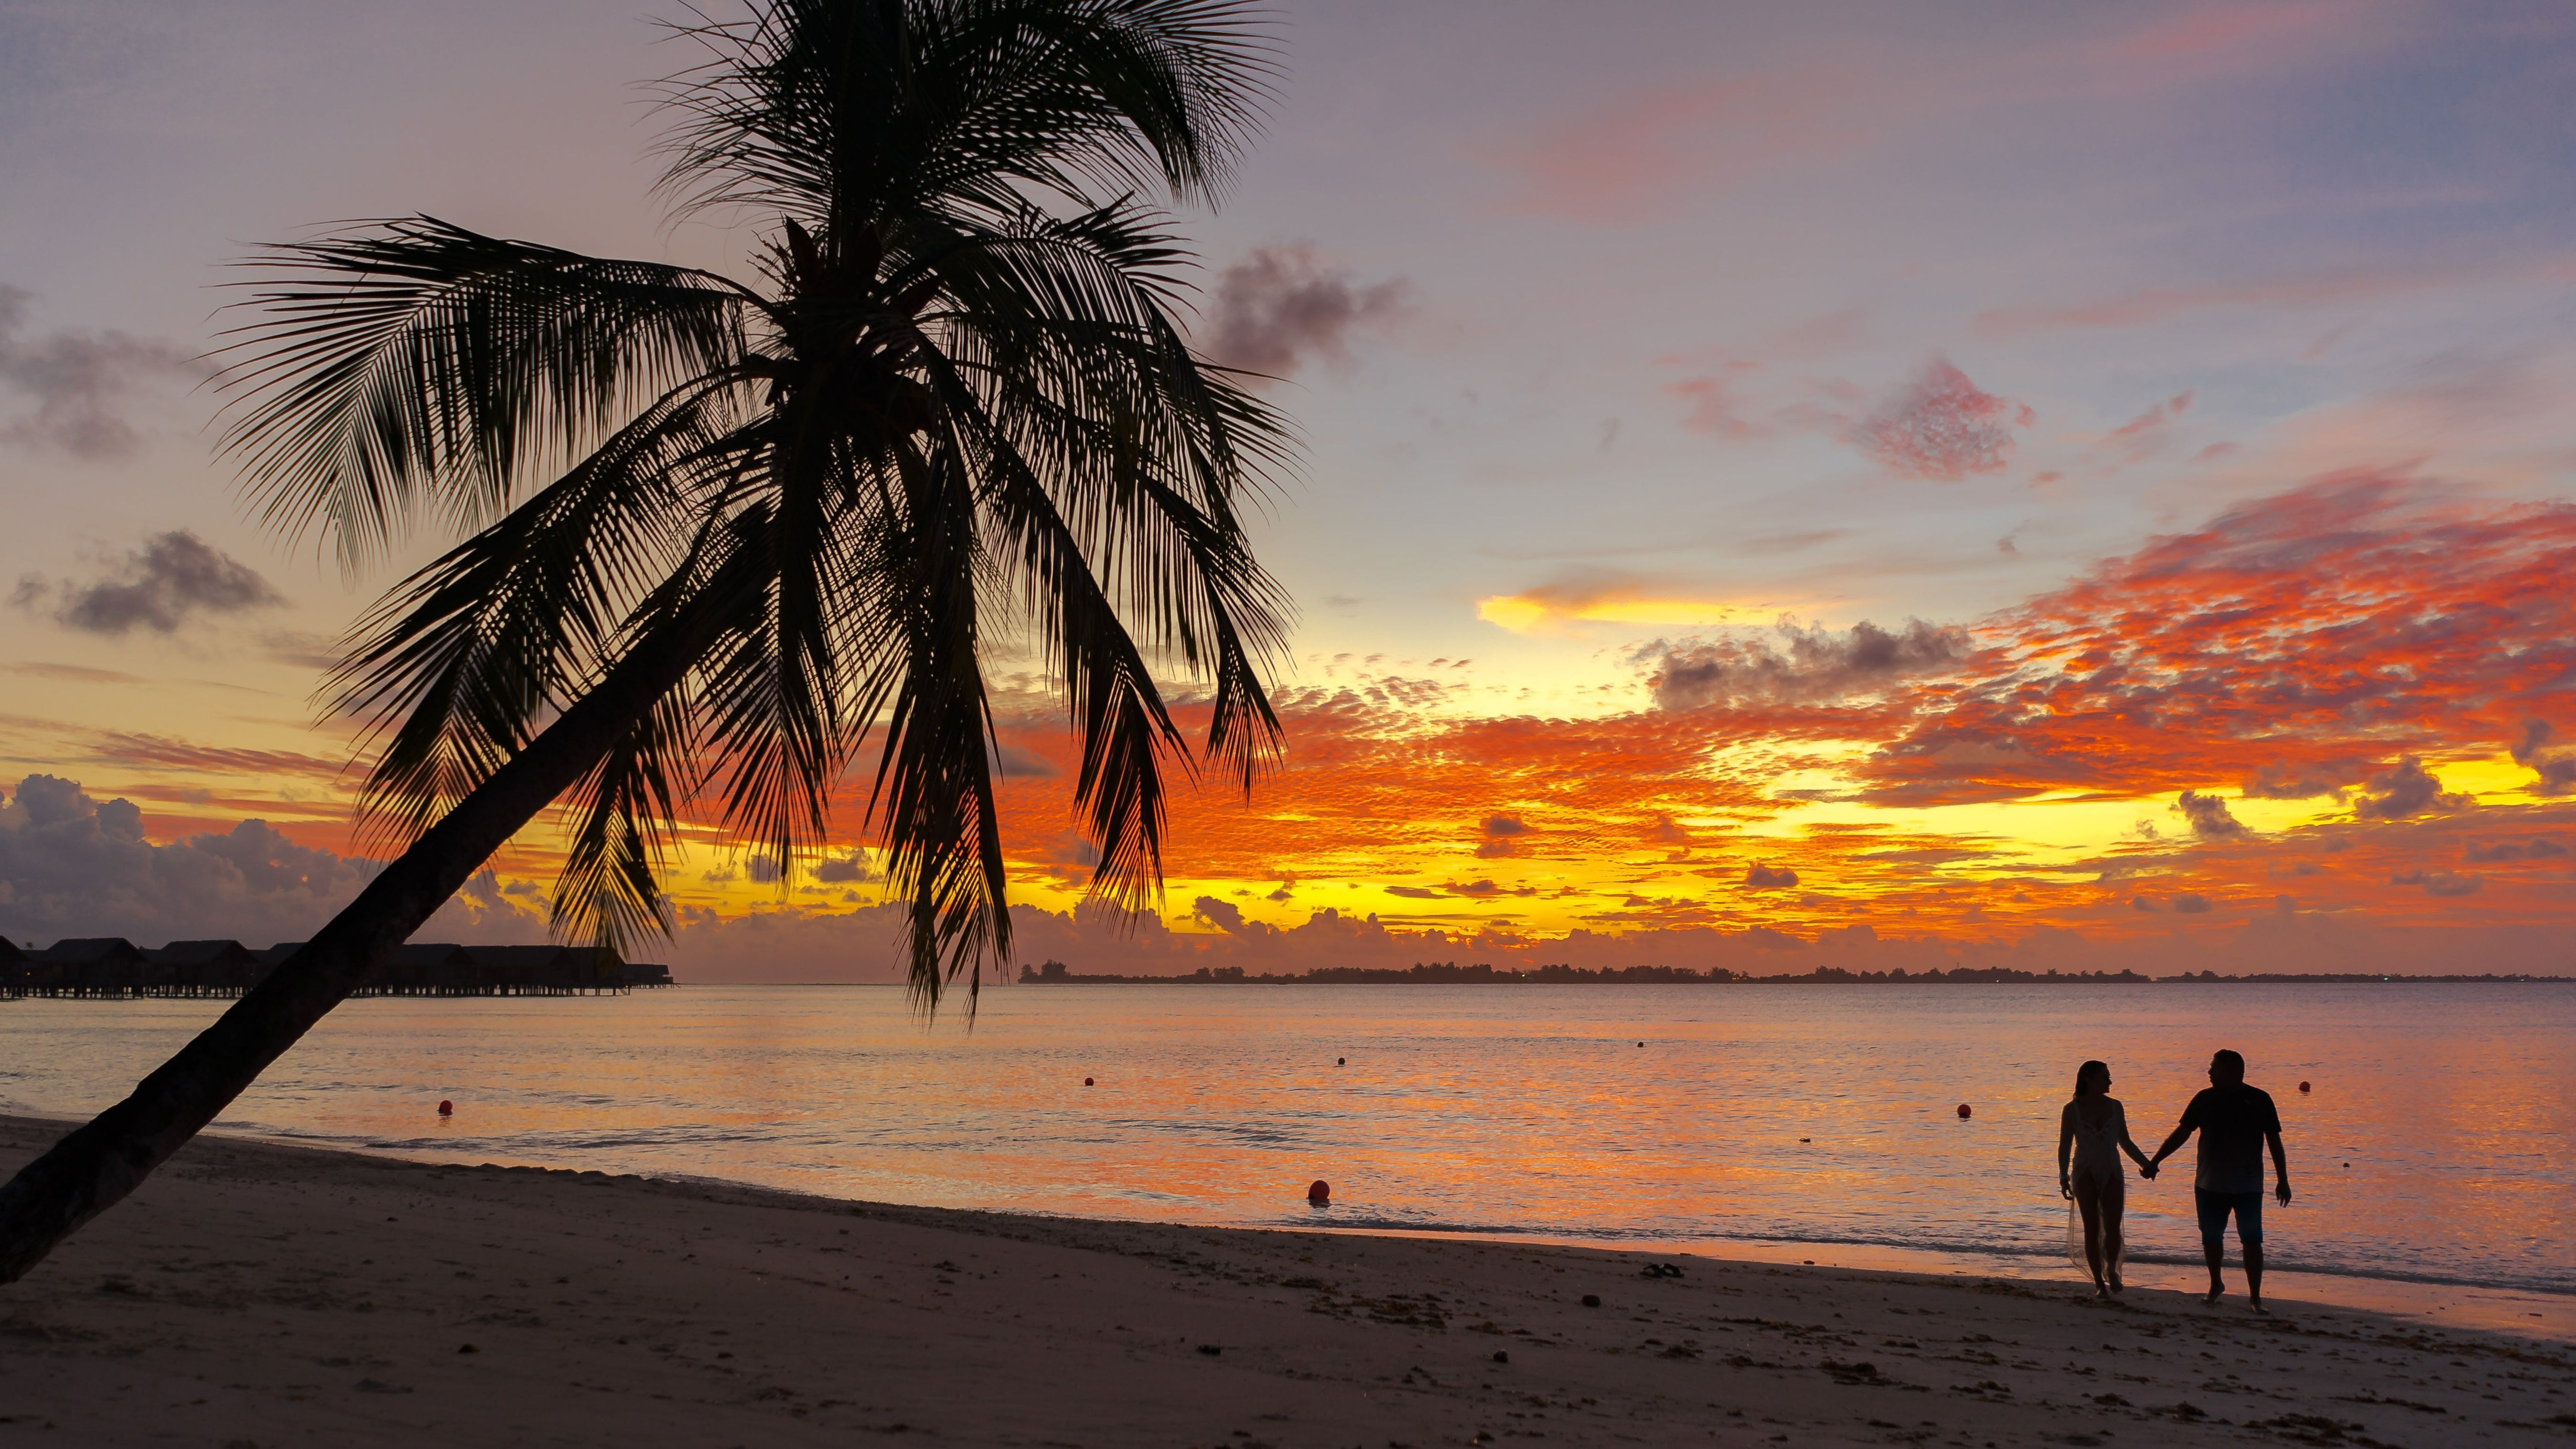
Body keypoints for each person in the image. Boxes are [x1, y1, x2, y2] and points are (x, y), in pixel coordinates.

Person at [2147, 1049, 2292, 1311]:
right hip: (2209, 1184)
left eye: (2214, 1068)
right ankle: (2216, 1284)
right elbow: (2182, 1133)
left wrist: (2283, 1180)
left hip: (2248, 1185)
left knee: (2252, 1238)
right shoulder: (2205, 1098)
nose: (2209, 1072)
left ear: (2232, 1071)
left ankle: (2255, 1297)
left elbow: (2274, 1141)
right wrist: (2156, 1161)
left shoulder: (2259, 1099)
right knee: (2211, 1237)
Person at [2056, 1059, 2154, 1297]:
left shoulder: (2116, 1107)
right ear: (2089, 1080)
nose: (2110, 1081)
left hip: (2111, 1169)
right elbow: (2064, 1146)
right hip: (2084, 1171)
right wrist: (2063, 1177)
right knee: (2091, 1228)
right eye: (2105, 1077)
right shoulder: (2072, 1109)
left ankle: (2112, 1268)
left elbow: (2126, 1142)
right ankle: (2099, 1283)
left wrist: (2147, 1164)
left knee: (2112, 1226)